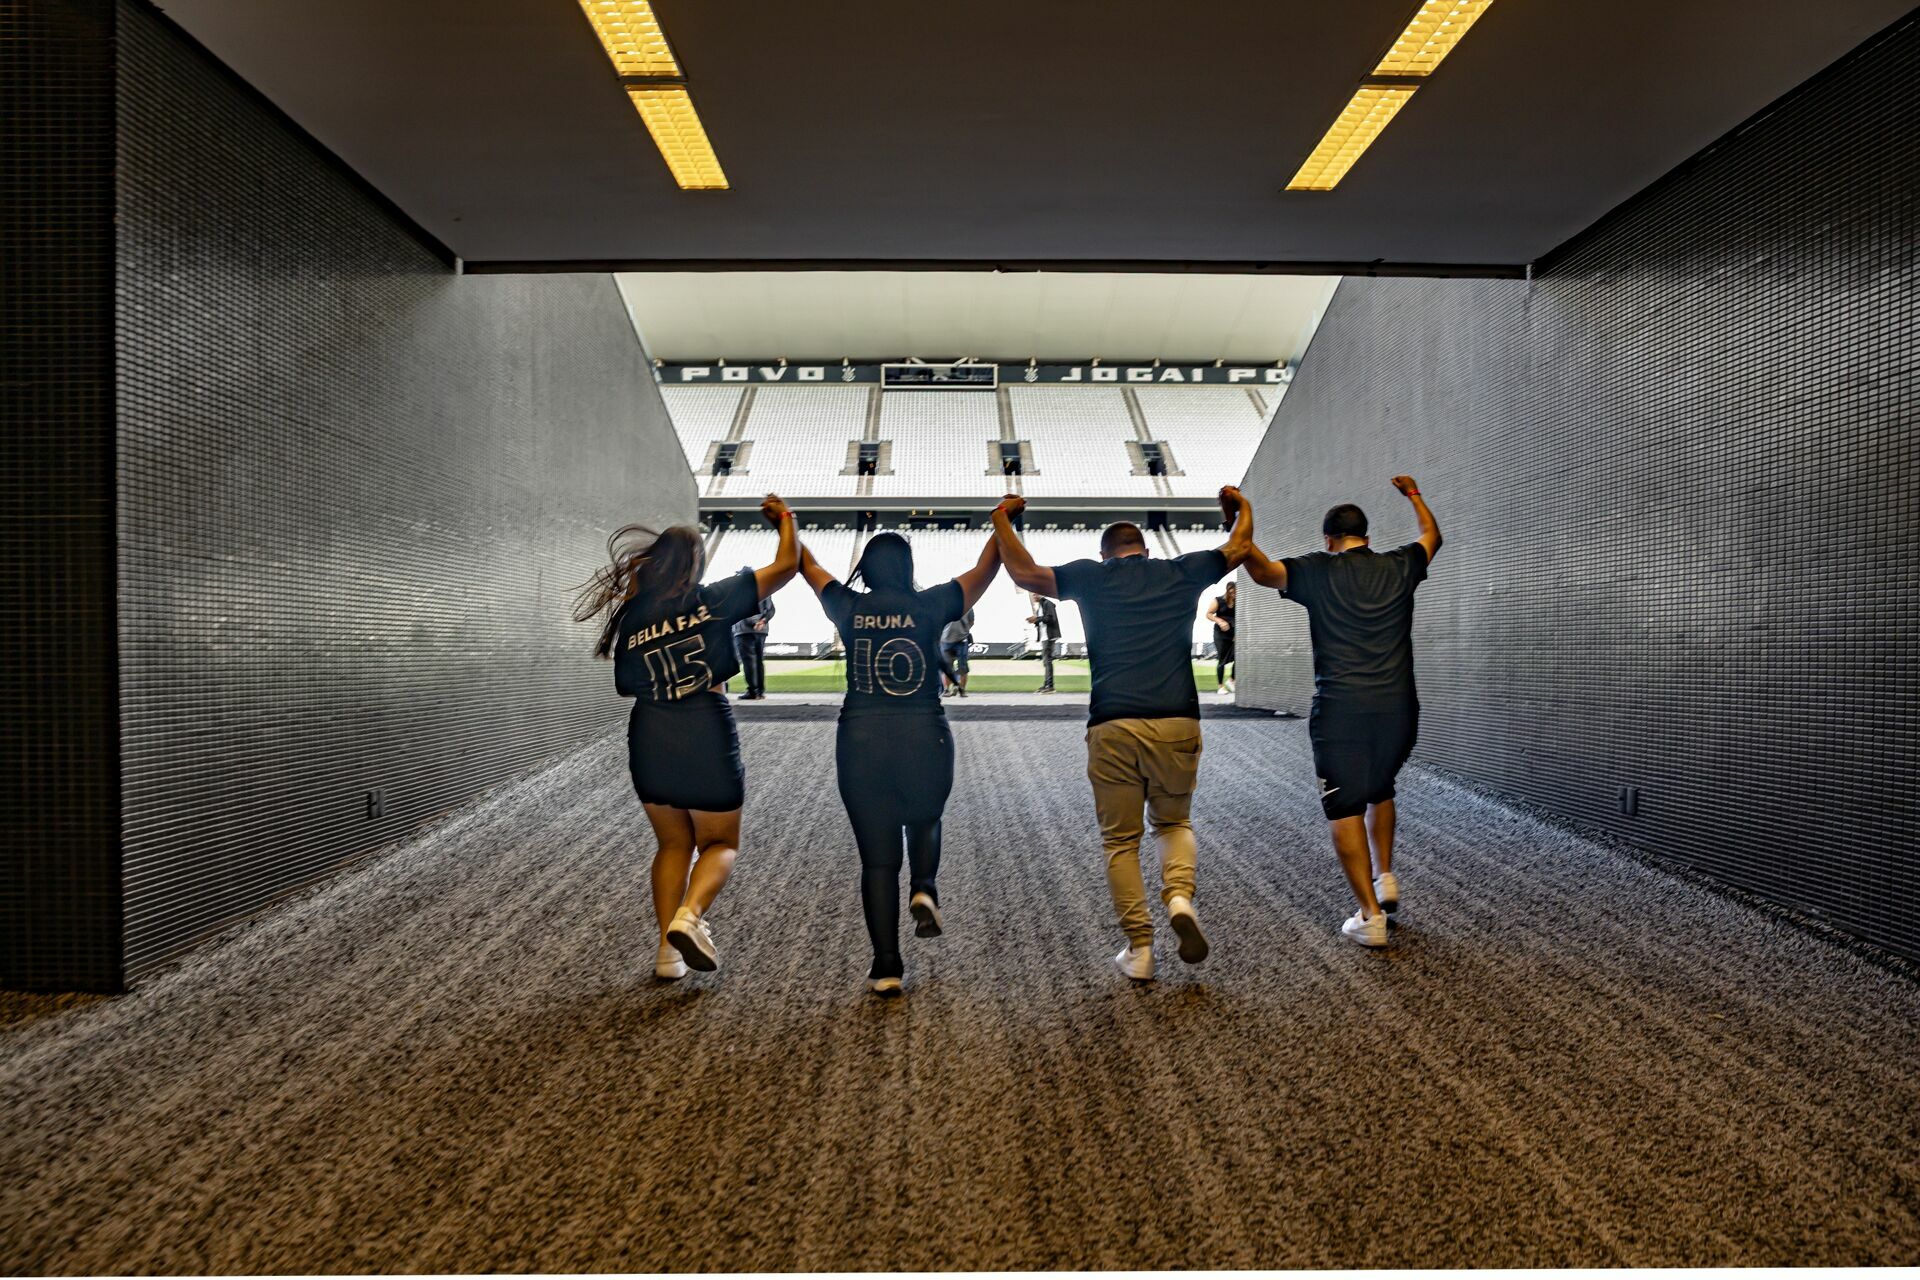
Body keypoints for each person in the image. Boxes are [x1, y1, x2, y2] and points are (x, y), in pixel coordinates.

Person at [994, 488, 1254, 982]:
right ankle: (1179, 897)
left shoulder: (1091, 577)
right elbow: (1239, 547)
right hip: (1178, 719)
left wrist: (1003, 519)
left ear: (1103, 555)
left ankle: (1139, 949)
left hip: (1112, 722)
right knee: (1173, 824)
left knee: (1120, 842)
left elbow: (1024, 573)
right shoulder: (1179, 571)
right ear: (1147, 550)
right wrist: (1240, 508)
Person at [573, 494, 799, 980]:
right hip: (705, 727)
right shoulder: (713, 598)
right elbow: (788, 564)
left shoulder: (632, 618)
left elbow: (627, 684)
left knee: (673, 845)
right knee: (720, 843)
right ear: (695, 562)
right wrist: (785, 520)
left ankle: (666, 954)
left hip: (650, 734)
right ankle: (690, 917)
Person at [798, 522, 1005, 995]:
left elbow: (807, 567)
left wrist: (787, 526)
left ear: (866, 572)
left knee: (876, 862)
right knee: (926, 815)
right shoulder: (930, 604)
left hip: (860, 743)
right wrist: (1004, 521)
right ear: (908, 569)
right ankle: (925, 886)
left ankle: (886, 967)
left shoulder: (848, 606)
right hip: (924, 735)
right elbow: (986, 569)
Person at [1243, 476, 1441, 949]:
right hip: (1399, 708)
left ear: (1328, 540)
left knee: (1343, 804)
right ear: (1368, 538)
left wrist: (1241, 526)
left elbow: (1262, 572)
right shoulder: (1399, 565)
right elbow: (1433, 536)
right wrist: (1414, 496)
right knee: (1380, 786)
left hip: (1341, 709)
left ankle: (1370, 915)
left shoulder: (1317, 569)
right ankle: (1385, 874)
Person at [731, 575, 776, 700]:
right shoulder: (765, 590)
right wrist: (763, 621)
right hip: (762, 631)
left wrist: (754, 623)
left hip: (745, 631)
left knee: (749, 661)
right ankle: (760, 691)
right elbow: (771, 610)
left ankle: (752, 691)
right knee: (758, 661)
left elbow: (742, 610)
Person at [1205, 582, 1237, 695]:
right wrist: (1219, 621)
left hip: (1234, 634)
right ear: (1228, 591)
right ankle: (1220, 686)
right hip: (1221, 634)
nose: (1234, 595)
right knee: (1222, 660)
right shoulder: (1218, 600)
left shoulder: (1239, 603)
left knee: (1238, 657)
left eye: (1236, 593)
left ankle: (1231, 680)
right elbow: (1208, 614)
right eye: (1232, 592)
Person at [1028, 592, 1061, 692]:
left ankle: (1050, 686)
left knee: (1047, 661)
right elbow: (1042, 620)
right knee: (1046, 662)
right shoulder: (1040, 606)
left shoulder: (1047, 603)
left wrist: (1037, 619)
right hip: (1044, 637)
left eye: (1034, 594)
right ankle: (1047, 684)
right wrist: (1034, 621)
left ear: (1039, 594)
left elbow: (1051, 618)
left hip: (1049, 636)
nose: (1033, 597)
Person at [938, 607, 975, 697]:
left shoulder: (968, 607)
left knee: (963, 666)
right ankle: (947, 689)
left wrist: (963, 632)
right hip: (946, 640)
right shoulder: (944, 605)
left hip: (961, 640)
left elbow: (971, 622)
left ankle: (961, 689)